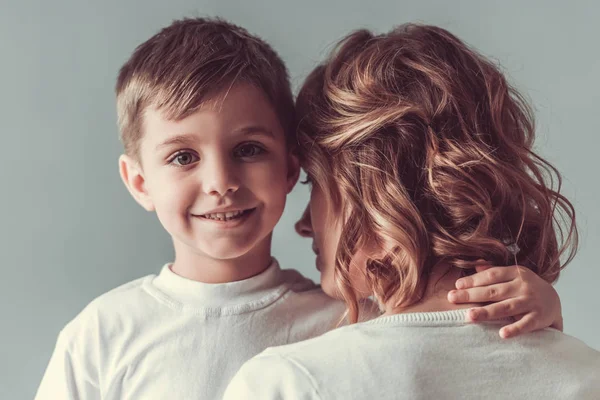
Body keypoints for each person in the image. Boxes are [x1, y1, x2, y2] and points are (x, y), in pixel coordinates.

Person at [224, 24, 599, 399]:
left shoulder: (287, 384)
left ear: (378, 197)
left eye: (314, 185)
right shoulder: (586, 374)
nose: (304, 224)